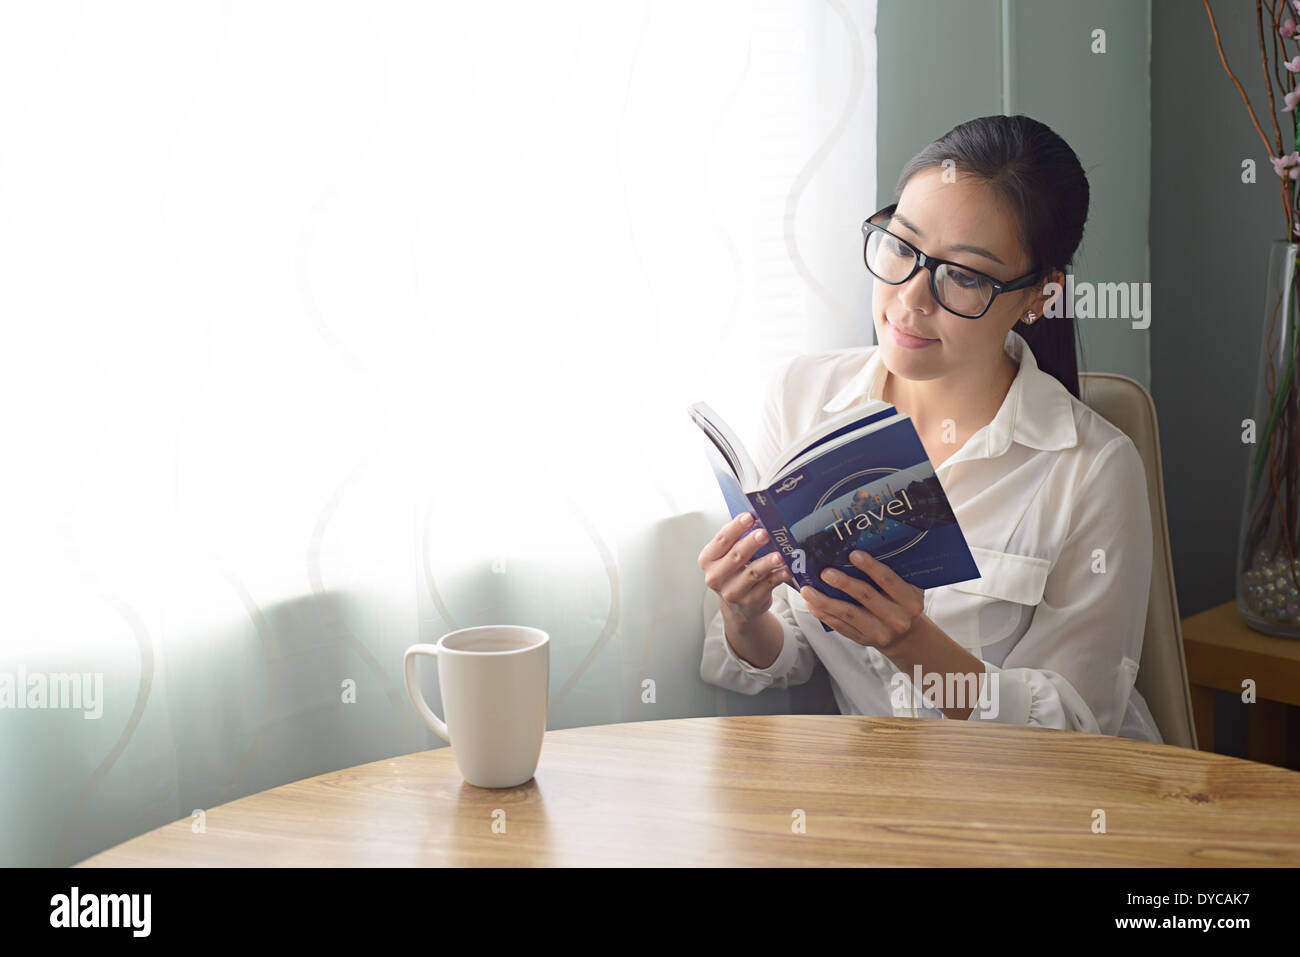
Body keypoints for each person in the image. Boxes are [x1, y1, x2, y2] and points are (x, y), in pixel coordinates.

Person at [697, 114, 1161, 742]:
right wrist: (742, 611)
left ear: (1040, 297)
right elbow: (786, 657)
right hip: (886, 805)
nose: (912, 298)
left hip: (1049, 816)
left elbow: (1079, 729)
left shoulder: (1092, 468)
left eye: (965, 276)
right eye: (901, 246)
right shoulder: (803, 397)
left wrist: (911, 641)